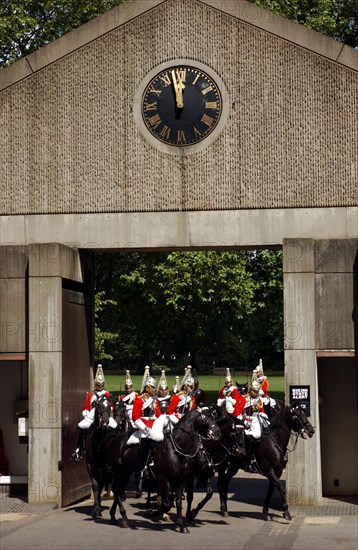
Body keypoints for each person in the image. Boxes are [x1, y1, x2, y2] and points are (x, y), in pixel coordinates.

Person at [71, 364, 117, 462]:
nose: (100, 386)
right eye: (98, 384)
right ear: (96, 384)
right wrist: (86, 414)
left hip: (105, 415)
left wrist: (108, 411)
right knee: (80, 426)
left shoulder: (107, 394)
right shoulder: (91, 394)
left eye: (101, 384)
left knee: (115, 426)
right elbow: (86, 407)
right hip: (92, 416)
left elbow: (111, 406)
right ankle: (78, 450)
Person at [126, 367, 162, 480]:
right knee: (146, 441)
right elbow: (135, 416)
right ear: (147, 388)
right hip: (143, 427)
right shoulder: (139, 400)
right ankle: (143, 467)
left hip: (154, 426)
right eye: (152, 387)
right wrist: (144, 428)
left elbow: (159, 414)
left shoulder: (155, 400)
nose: (154, 389)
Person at [243, 380, 270, 472]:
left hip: (257, 420)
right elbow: (239, 412)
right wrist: (245, 419)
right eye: (254, 391)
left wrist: (263, 416)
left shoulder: (259, 400)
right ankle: (248, 462)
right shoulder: (245, 399)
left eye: (257, 391)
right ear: (250, 390)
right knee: (250, 438)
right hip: (247, 421)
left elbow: (261, 411)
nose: (255, 393)